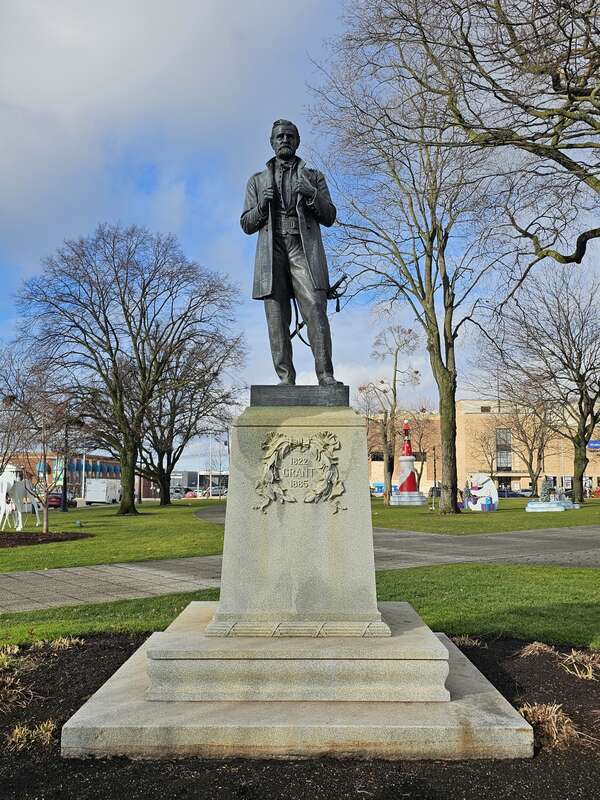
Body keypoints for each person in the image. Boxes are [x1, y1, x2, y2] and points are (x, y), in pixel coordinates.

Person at [241, 119, 341, 386]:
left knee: (316, 310)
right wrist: (262, 206)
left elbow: (330, 216)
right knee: (277, 319)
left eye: (289, 136)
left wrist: (311, 194)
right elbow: (246, 224)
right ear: (272, 142)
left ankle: (325, 375)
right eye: (279, 136)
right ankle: (285, 378)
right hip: (271, 253)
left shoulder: (314, 177)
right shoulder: (257, 181)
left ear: (297, 141)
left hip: (303, 248)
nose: (284, 140)